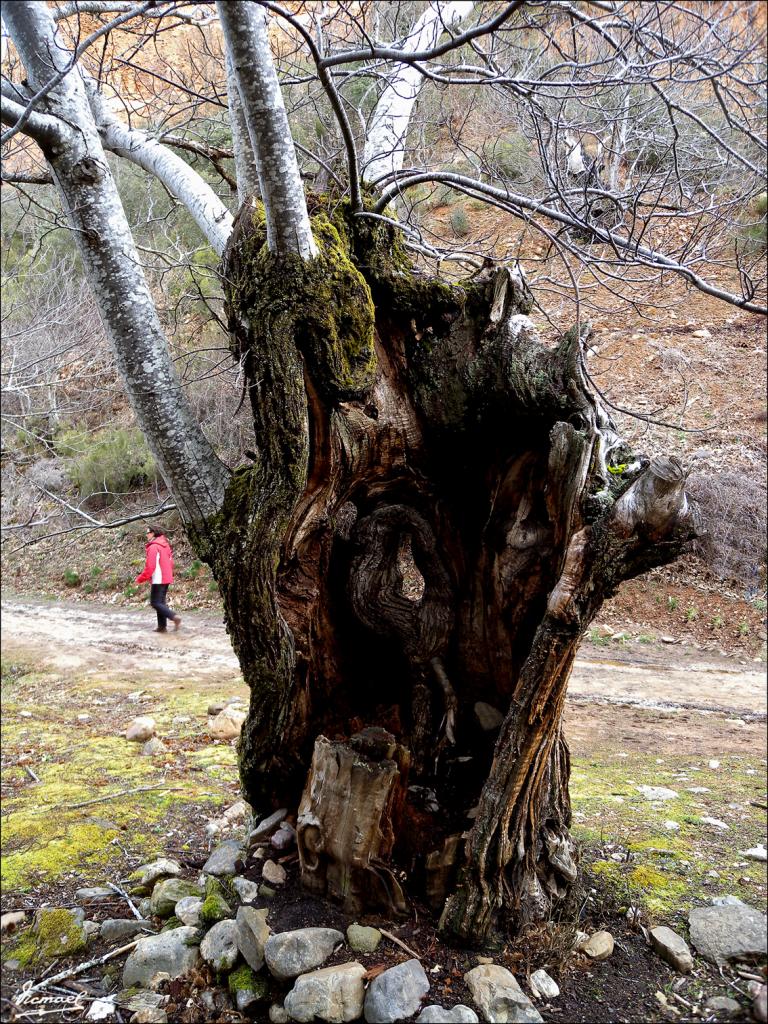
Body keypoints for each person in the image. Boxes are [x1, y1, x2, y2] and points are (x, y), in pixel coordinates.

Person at [135, 526, 181, 633]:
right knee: (160, 602)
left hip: (158, 578)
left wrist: (141, 579)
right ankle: (162, 627)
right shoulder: (164, 545)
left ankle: (174, 617)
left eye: (148, 532)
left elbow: (150, 566)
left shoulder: (154, 547)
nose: (146, 535)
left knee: (155, 602)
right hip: (166, 577)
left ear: (153, 533)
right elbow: (171, 562)